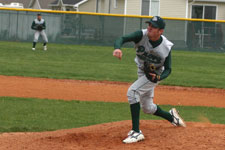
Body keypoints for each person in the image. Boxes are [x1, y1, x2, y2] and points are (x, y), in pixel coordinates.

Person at [113, 16, 186, 144]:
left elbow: (168, 69)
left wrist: (159, 77)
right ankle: (172, 117)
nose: (150, 28)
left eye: (153, 27)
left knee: (133, 92)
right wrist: (117, 48)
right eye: (149, 25)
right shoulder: (141, 35)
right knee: (147, 108)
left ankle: (136, 132)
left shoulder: (166, 46)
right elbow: (122, 39)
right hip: (142, 70)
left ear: (160, 31)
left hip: (154, 74)